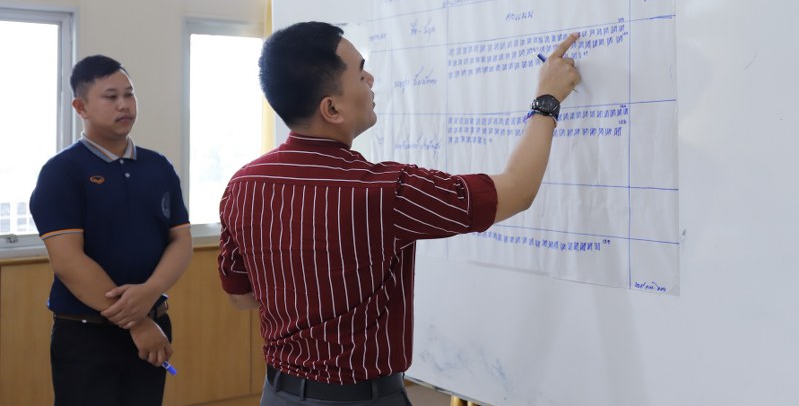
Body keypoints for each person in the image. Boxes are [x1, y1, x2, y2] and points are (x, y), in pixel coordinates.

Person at [217, 21, 580, 405]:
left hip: (278, 394)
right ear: (332, 108)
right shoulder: (379, 192)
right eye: (361, 73)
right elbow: (517, 190)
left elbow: (241, 296)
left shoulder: (243, 185)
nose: (371, 79)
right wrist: (547, 100)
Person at [30, 54, 192, 406]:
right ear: (81, 107)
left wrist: (151, 292)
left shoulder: (158, 166)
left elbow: (180, 240)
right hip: (87, 334)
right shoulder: (62, 172)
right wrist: (137, 323)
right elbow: (68, 262)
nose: (124, 105)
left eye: (129, 94)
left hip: (155, 326)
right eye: (111, 96)